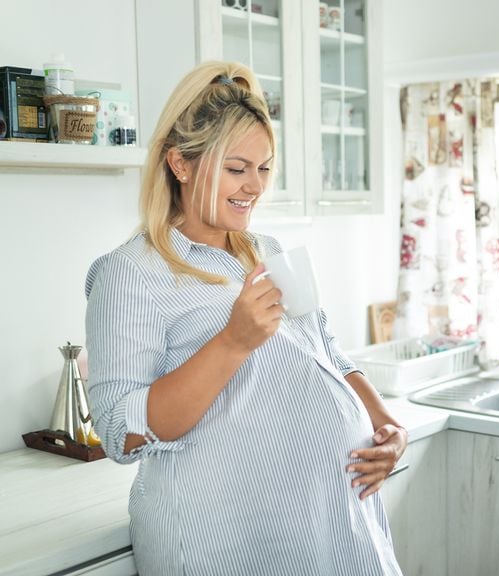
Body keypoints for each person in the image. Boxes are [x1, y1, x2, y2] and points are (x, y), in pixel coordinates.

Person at [85, 61, 406, 575]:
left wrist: (386, 424)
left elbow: (326, 350)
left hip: (334, 523)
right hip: (228, 541)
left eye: (263, 167)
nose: (254, 186)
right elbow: (121, 432)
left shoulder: (265, 250)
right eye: (236, 169)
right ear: (180, 164)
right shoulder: (130, 274)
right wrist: (232, 342)